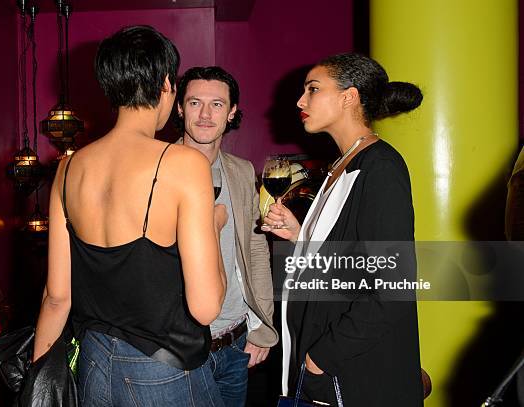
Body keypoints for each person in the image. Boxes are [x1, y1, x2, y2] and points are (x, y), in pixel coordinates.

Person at [32, 26, 227, 406]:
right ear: (167, 85)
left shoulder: (68, 169)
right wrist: (214, 226)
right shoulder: (184, 163)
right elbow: (205, 308)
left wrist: (41, 385)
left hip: (93, 364)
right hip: (164, 371)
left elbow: (56, 298)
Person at [263, 53, 424, 406]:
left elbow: (393, 285)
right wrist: (302, 235)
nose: (300, 101)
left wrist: (321, 358)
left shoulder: (380, 166)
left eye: (313, 89)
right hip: (322, 363)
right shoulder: (342, 165)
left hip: (347, 371)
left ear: (349, 96)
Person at [175, 66, 278, 406]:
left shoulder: (242, 170)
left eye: (217, 104)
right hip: (178, 347)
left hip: (235, 342)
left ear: (232, 111)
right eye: (194, 103)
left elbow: (255, 249)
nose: (205, 114)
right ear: (179, 107)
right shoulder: (157, 169)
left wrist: (262, 326)